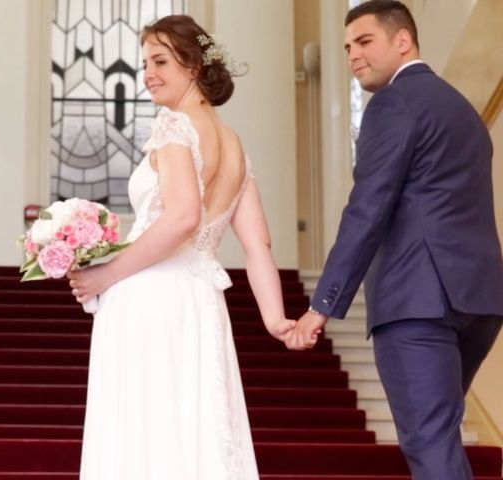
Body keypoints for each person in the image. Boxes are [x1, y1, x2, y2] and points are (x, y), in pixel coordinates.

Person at [67, 14, 298, 479]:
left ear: (193, 65)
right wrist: (276, 321)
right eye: (145, 61)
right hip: (197, 300)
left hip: (150, 296)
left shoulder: (174, 126)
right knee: (195, 427)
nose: (148, 73)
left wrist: (106, 274)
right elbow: (259, 246)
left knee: (146, 432)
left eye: (160, 61)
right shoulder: (234, 145)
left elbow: (182, 217)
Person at [285, 1, 503, 479]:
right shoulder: (461, 109)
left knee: (430, 445)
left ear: (402, 40)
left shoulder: (393, 103)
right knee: (439, 438)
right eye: (346, 47)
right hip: (480, 302)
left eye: (364, 42)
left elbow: (368, 209)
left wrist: (321, 306)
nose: (352, 56)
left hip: (417, 301)